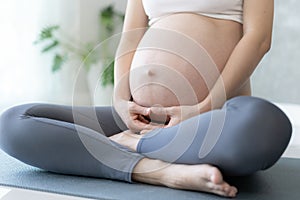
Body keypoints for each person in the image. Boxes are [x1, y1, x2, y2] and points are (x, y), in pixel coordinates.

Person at [0, 0, 292, 198]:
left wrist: (203, 107)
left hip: (207, 120)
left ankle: (134, 147)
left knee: (266, 125)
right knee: (14, 123)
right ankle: (159, 171)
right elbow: (130, 37)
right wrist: (119, 102)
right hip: (137, 117)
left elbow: (258, 39)